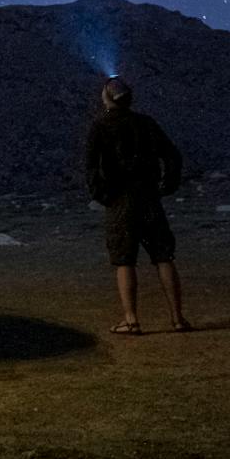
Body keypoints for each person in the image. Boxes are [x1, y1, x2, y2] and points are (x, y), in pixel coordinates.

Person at [84, 75, 191, 335]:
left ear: (108, 98)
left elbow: (91, 167)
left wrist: (102, 195)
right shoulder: (146, 123)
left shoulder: (100, 126)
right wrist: (168, 184)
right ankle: (177, 318)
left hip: (120, 199)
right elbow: (172, 154)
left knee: (124, 259)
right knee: (163, 255)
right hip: (149, 196)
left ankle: (131, 320)